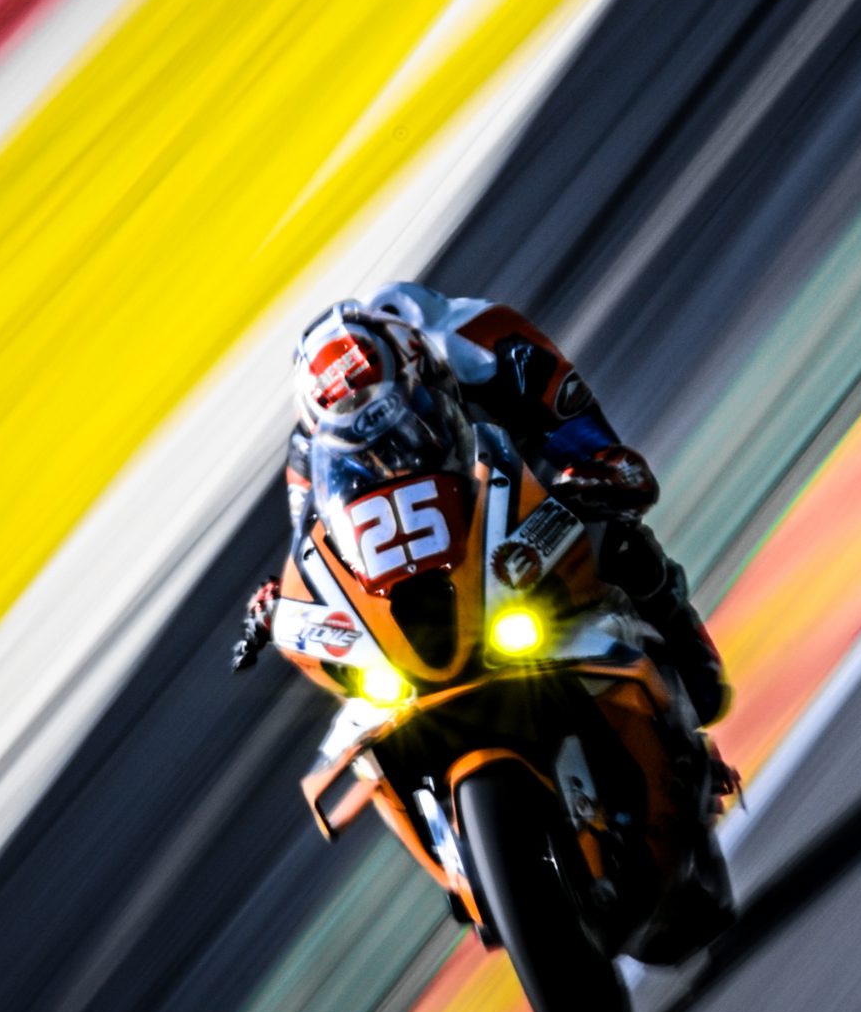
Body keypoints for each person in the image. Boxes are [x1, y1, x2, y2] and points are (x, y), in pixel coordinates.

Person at [232, 281, 730, 724]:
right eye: (373, 448)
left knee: (616, 535)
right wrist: (283, 600)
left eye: (408, 416)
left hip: (524, 500)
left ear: (423, 371)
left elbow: (595, 443)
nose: (398, 443)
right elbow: (324, 553)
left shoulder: (489, 347)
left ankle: (683, 650)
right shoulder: (310, 452)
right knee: (369, 700)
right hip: (429, 563)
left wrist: (599, 473)